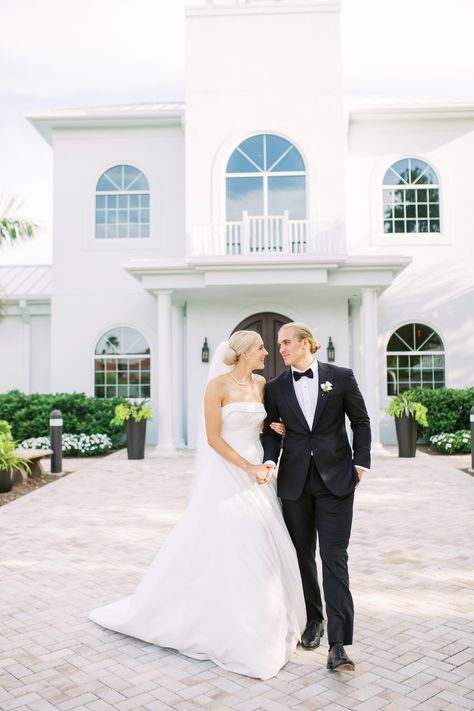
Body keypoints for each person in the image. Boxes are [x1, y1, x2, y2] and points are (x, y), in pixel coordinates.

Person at [90, 330, 306, 680]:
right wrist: (247, 466)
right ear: (243, 353)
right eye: (262, 348)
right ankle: (223, 625)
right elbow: (213, 439)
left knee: (264, 542)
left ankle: (267, 619)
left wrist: (275, 432)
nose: (268, 352)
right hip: (228, 472)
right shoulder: (217, 386)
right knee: (230, 540)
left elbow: (263, 424)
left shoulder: (262, 384)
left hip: (260, 476)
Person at [262, 322, 371, 672]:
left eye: (287, 342)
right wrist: (268, 458)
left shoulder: (340, 377)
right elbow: (270, 431)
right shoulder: (276, 387)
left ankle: (338, 645)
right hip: (294, 483)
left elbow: (361, 421)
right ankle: (314, 620)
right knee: (303, 556)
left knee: (334, 558)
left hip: (337, 481)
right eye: (279, 345)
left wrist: (360, 465)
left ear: (307, 343)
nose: (281, 349)